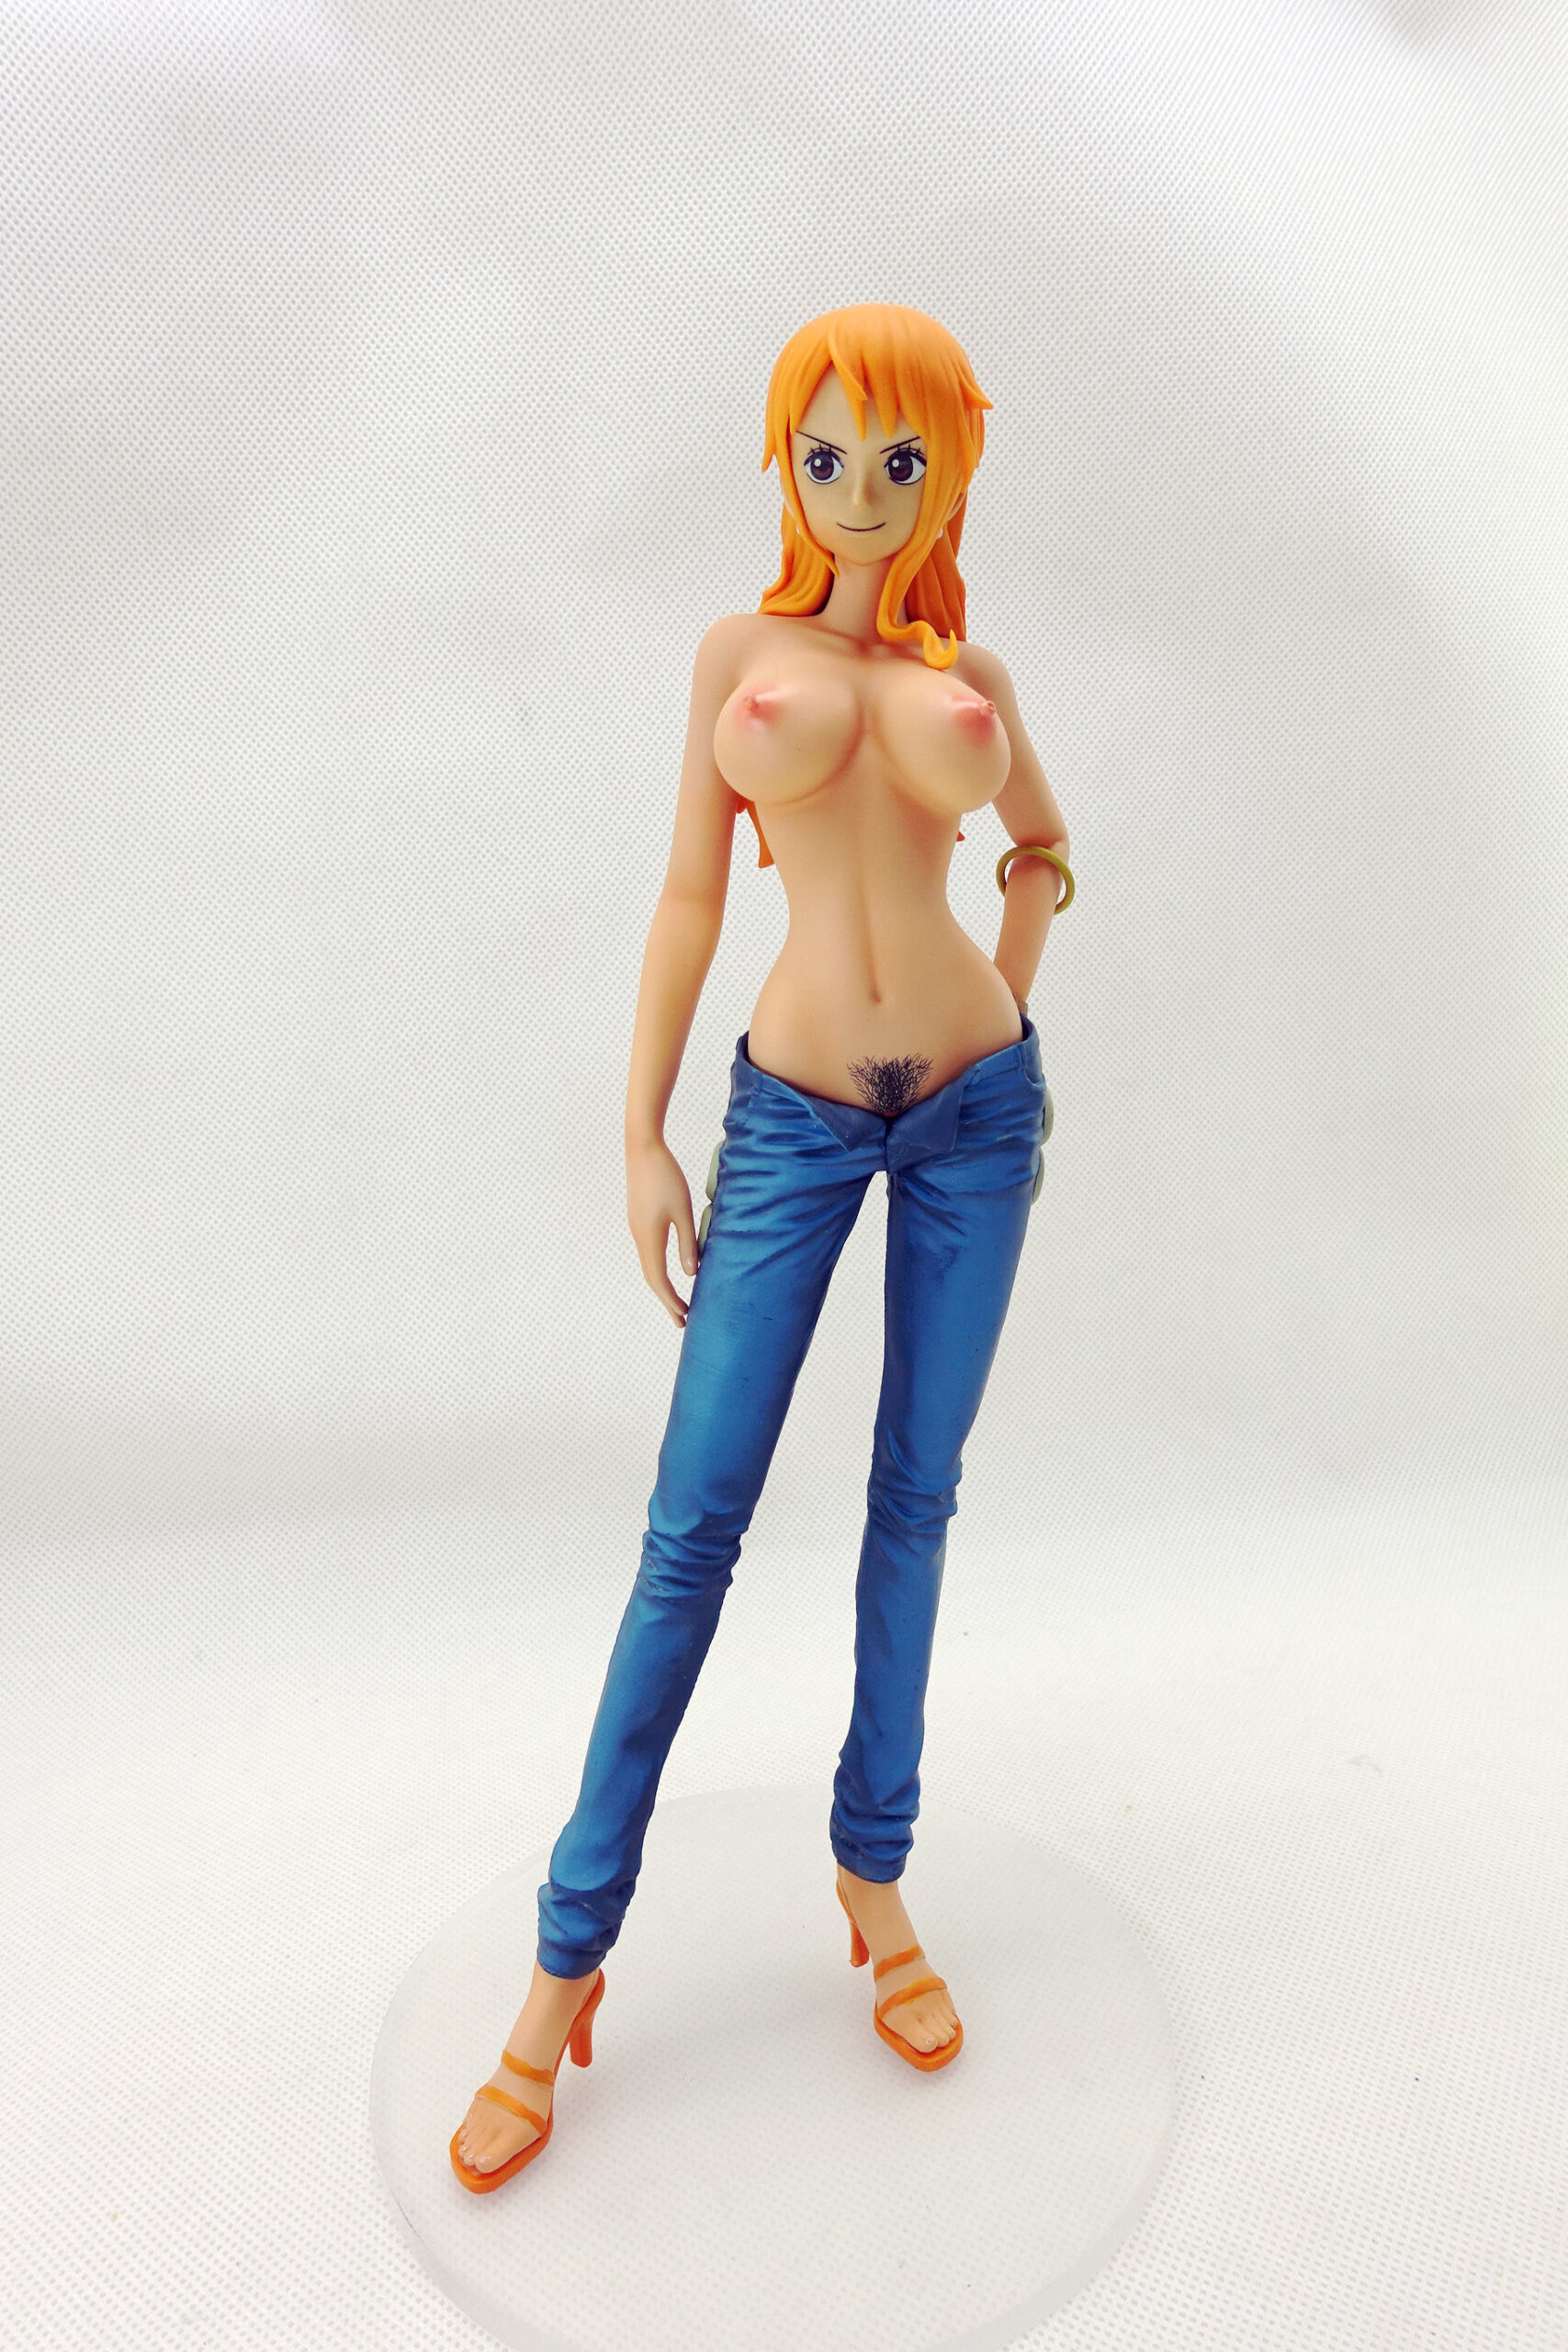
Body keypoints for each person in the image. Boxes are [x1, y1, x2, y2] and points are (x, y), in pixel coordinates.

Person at [452, 301, 1072, 2190]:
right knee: (691, 1525)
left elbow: (1040, 849)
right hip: (791, 1121)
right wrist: (641, 1127)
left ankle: (872, 1872)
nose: (860, 489)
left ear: (948, 473)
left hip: (974, 1113)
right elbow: (685, 893)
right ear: (783, 464)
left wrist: (1009, 1005)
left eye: (899, 457)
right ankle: (565, 1961)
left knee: (915, 1495)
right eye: (825, 454)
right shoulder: (737, 657)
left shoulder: (968, 668)